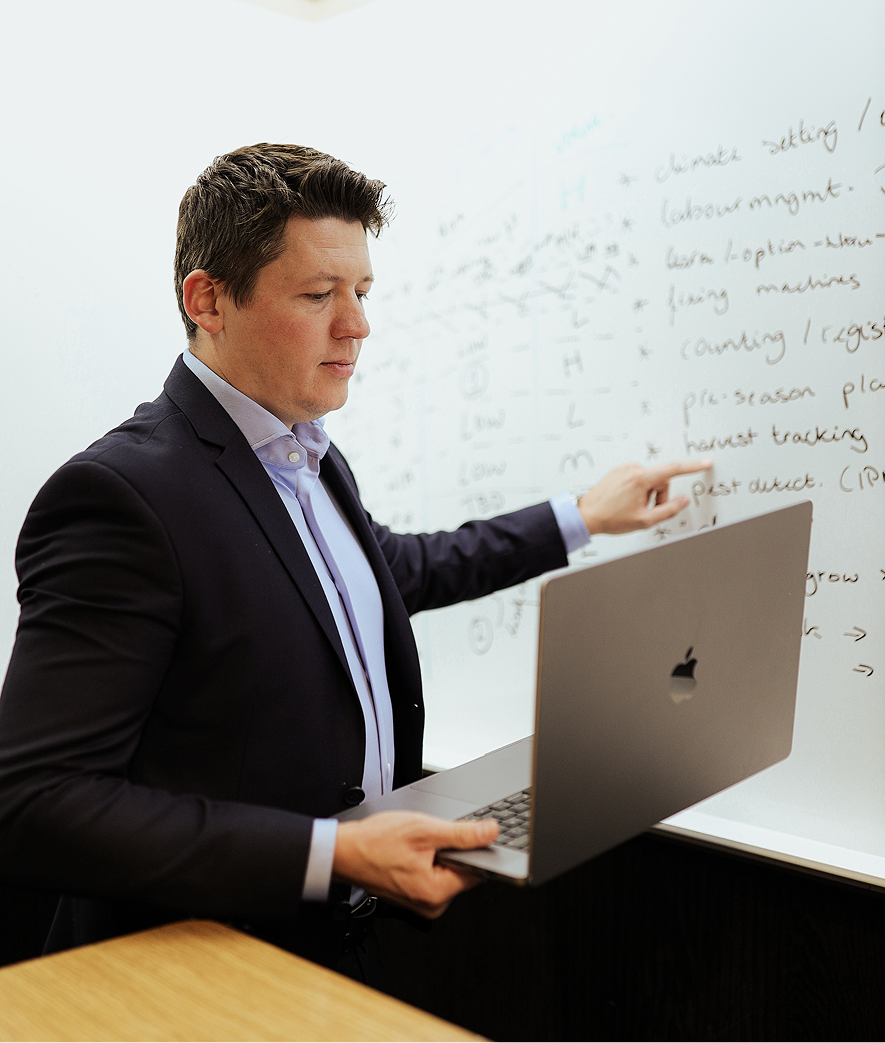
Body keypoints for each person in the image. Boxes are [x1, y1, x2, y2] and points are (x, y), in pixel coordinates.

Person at [0, 143, 709, 984]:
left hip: (335, 942)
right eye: (318, 295)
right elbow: (35, 804)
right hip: (190, 974)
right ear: (208, 299)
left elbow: (386, 574)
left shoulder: (306, 455)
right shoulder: (121, 494)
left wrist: (578, 517)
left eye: (363, 292)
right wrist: (331, 849)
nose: (358, 325)